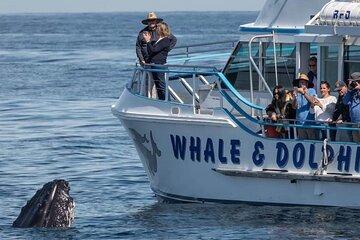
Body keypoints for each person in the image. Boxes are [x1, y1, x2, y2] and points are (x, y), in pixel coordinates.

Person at [143, 22, 172, 100]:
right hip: (154, 64)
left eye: (158, 28)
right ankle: (162, 101)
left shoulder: (165, 40)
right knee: (158, 85)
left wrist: (148, 41)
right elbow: (151, 51)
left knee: (161, 85)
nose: (156, 29)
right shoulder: (159, 40)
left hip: (159, 65)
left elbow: (154, 50)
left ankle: (167, 101)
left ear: (161, 30)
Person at [292, 73, 318, 140]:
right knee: (302, 143)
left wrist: (304, 93)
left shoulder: (311, 90)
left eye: (303, 82)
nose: (301, 84)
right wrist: (294, 98)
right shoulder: (297, 93)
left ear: (307, 83)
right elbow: (294, 107)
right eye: (300, 82)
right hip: (300, 124)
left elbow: (313, 101)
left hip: (310, 123)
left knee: (312, 143)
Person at [343, 72, 360, 143]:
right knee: (356, 144)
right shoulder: (352, 92)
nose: (354, 84)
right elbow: (345, 102)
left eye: (355, 82)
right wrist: (349, 90)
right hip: (354, 123)